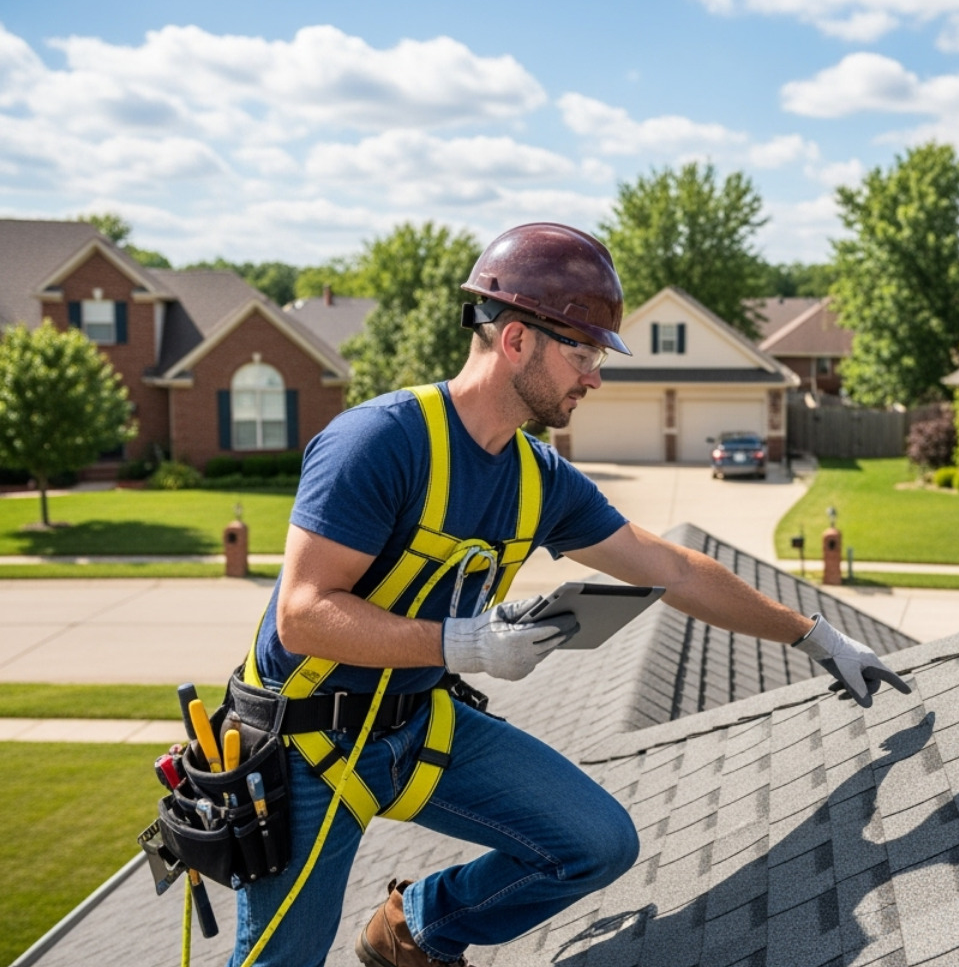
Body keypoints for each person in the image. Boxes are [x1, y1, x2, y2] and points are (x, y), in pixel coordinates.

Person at [227, 223, 909, 967]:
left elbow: (672, 569)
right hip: (305, 743)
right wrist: (465, 644)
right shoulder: (381, 442)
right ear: (516, 339)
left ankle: (414, 928)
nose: (595, 376)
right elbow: (301, 616)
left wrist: (812, 635)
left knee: (595, 845)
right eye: (581, 352)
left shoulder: (537, 480)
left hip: (416, 725)